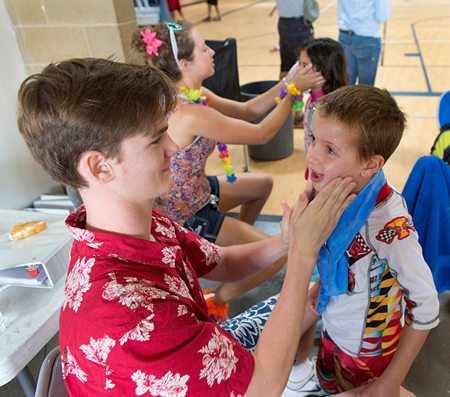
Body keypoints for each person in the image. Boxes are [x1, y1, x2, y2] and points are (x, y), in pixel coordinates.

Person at [16, 57, 356, 396]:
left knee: (308, 301)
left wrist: (285, 240)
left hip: (202, 352)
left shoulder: (143, 224)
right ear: (100, 167)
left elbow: (221, 262)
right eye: (155, 139)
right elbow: (262, 387)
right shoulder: (131, 317)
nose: (174, 148)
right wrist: (301, 255)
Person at [130, 22, 325, 311]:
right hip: (185, 213)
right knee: (279, 255)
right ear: (185, 63)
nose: (212, 52)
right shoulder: (190, 113)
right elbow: (261, 134)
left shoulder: (192, 95)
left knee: (263, 184)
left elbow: (249, 110)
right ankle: (216, 299)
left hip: (195, 190)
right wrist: (295, 90)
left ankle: (229, 251)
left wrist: (287, 82)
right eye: (203, 48)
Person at [288, 85, 440, 396]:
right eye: (313, 138)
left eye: (330, 149)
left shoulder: (389, 226)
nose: (313, 155)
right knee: (328, 383)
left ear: (371, 164)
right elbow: (339, 255)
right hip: (334, 325)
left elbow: (426, 305)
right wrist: (321, 285)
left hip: (368, 352)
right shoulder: (335, 187)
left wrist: (388, 384)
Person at [297, 37, 348, 155]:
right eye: (299, 64)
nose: (299, 71)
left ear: (324, 68)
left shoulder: (329, 108)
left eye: (304, 65)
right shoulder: (312, 98)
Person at [337, 0, 390, 85]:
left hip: (344, 34)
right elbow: (382, 16)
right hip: (367, 36)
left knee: (345, 88)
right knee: (365, 90)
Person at [269, 0, 315, 80]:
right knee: (307, 63)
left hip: (283, 22)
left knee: (286, 66)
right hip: (297, 23)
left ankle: (283, 92)